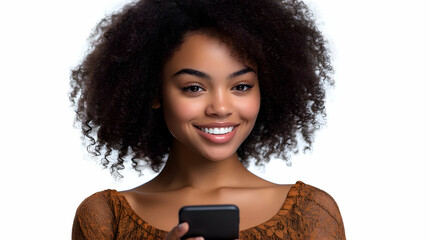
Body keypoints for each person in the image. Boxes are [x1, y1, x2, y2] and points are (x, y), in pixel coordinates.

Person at [70, 0, 346, 239]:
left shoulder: (310, 212)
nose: (221, 108)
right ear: (154, 92)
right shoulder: (106, 218)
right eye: (194, 88)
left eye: (241, 86)